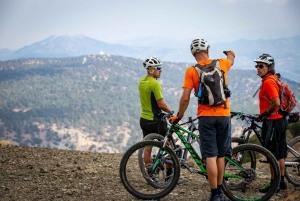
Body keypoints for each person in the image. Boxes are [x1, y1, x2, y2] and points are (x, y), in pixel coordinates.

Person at [169, 38, 234, 201]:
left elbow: (185, 98)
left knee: (210, 156)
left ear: (193, 54)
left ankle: (214, 195)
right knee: (220, 155)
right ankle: (220, 194)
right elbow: (231, 59)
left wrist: (179, 115)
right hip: (224, 115)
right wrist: (231, 54)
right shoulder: (222, 63)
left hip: (206, 117)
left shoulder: (191, 71)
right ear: (208, 50)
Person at [138, 56, 182, 184]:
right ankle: (169, 177)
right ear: (151, 69)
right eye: (159, 68)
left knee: (148, 147)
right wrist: (172, 112)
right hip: (156, 121)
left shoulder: (142, 81)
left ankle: (150, 176)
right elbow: (161, 104)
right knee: (171, 147)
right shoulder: (155, 84)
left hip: (144, 120)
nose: (161, 70)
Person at [254, 53, 287, 192]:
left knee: (272, 154)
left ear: (269, 67)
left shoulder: (268, 81)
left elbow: (276, 102)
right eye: (257, 66)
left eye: (261, 66)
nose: (258, 68)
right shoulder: (274, 78)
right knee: (279, 153)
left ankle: (274, 183)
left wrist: (264, 114)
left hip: (273, 121)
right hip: (280, 120)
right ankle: (282, 182)